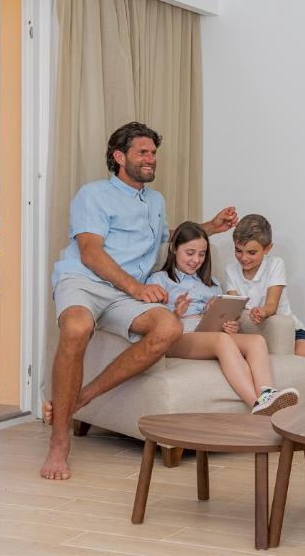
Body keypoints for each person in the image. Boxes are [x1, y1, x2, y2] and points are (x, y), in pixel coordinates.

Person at [42, 121, 237, 481]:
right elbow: (90, 252)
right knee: (77, 327)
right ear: (119, 157)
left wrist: (209, 227)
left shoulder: (156, 201)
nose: (151, 159)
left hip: (124, 294)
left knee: (168, 327)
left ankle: (81, 399)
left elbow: (168, 239)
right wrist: (135, 288)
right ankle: (59, 443)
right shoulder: (93, 194)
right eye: (142, 152)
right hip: (84, 281)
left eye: (153, 153)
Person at [146, 221, 300, 413]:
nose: (196, 260)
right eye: (190, 253)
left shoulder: (211, 283)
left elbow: (224, 317)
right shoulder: (158, 280)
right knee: (221, 340)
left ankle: (267, 394)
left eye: (202, 254)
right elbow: (150, 321)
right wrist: (176, 313)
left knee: (256, 341)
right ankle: (257, 405)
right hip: (178, 337)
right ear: (174, 248)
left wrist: (229, 325)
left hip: (208, 335)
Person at [223, 214, 305, 365]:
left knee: (303, 352)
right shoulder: (230, 270)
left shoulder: (275, 264)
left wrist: (262, 312)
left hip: (289, 330)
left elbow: (271, 305)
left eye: (251, 252)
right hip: (252, 332)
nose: (243, 258)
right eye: (238, 250)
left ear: (267, 248)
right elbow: (234, 307)